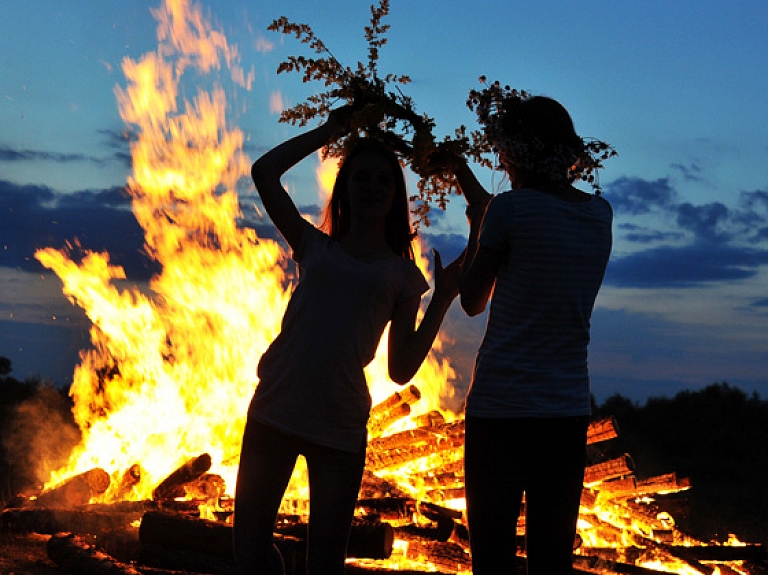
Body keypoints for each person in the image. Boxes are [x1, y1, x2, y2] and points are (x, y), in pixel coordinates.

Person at [233, 107, 462, 574]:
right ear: (346, 189)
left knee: (325, 563)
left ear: (395, 195)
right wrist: (329, 131)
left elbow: (400, 369)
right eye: (362, 178)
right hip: (275, 409)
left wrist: (442, 298)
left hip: (338, 428)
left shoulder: (402, 276)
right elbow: (264, 173)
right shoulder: (315, 245)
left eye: (383, 180)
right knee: (250, 547)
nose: (372, 187)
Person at [454, 94, 613, 574]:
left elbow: (471, 299)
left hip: (500, 409)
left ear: (515, 152)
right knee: (551, 558)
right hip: (565, 412)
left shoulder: (508, 211)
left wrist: (476, 227)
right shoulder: (599, 215)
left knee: (493, 556)